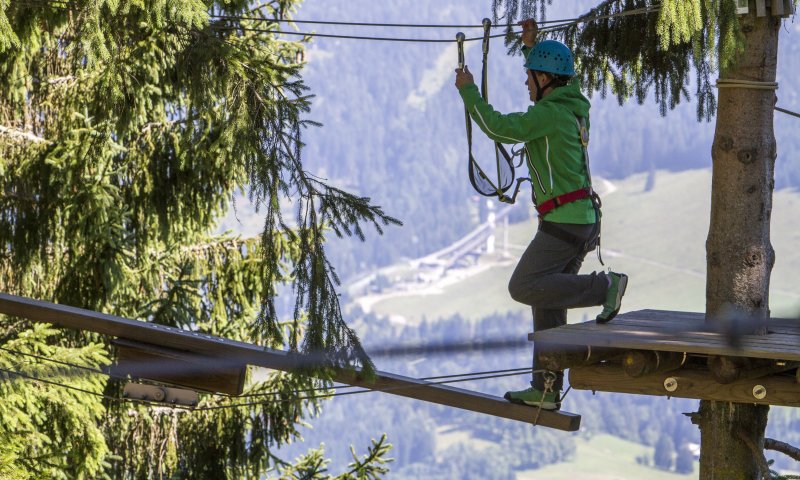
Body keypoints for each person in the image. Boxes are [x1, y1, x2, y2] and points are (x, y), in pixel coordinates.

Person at [453, 19, 627, 410]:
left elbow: (496, 128)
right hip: (579, 218)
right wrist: (530, 48)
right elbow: (563, 76)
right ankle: (546, 388)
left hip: (565, 220)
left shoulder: (547, 115)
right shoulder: (572, 102)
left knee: (524, 285)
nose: (526, 84)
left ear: (546, 78)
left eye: (530, 76)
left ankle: (605, 287)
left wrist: (469, 93)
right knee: (546, 297)